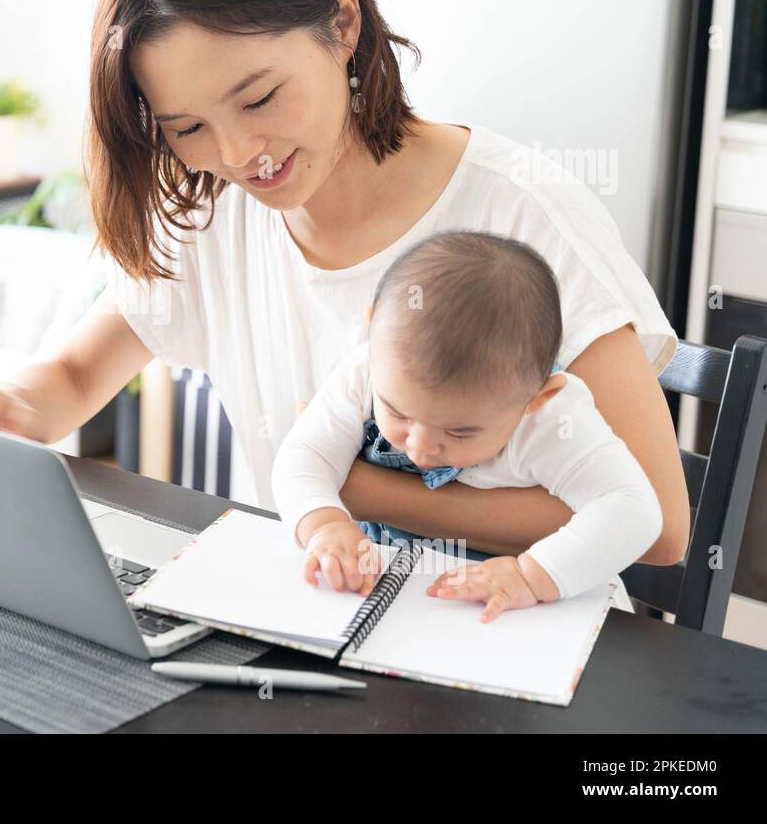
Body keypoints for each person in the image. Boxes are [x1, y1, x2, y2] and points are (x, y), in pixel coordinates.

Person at [0, 0, 690, 587]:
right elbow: (74, 378)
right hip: (319, 618)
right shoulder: (216, 210)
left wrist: (360, 492)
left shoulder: (522, 211)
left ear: (342, 21)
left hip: (517, 638)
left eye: (260, 97)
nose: (238, 156)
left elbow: (658, 525)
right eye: (188, 127)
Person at [271, 231, 663, 621]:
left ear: (538, 398)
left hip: (530, 618)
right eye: (397, 412)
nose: (420, 447)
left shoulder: (553, 419)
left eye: (459, 432)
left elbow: (634, 510)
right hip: (400, 604)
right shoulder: (369, 368)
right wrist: (323, 525)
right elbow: (305, 453)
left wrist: (530, 576)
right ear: (373, 332)